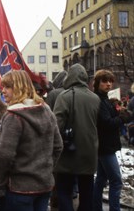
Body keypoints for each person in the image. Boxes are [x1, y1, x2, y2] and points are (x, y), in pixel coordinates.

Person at [0, 70, 63, 211]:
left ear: (19, 87)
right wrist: (45, 169)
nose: (3, 91)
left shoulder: (13, 116)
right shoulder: (46, 110)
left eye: (7, 87)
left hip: (19, 188)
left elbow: (5, 155)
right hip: (44, 185)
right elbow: (58, 146)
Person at [53, 63, 100, 211]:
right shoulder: (95, 98)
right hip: (89, 152)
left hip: (68, 152)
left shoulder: (64, 96)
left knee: (64, 192)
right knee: (86, 192)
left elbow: (56, 126)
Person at [93, 69, 132, 211]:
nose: (108, 84)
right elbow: (106, 123)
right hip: (105, 147)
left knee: (101, 180)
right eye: (104, 81)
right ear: (97, 83)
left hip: (105, 146)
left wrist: (118, 112)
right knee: (116, 181)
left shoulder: (105, 99)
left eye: (110, 81)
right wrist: (121, 118)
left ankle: (96, 207)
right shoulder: (99, 100)